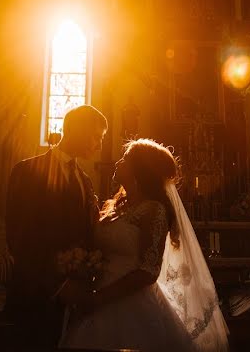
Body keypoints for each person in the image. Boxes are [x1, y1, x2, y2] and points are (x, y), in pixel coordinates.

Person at [60, 139, 229, 351]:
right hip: (98, 294)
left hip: (130, 302)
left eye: (125, 159)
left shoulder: (154, 210)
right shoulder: (114, 207)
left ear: (139, 169)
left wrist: (99, 299)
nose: (118, 162)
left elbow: (148, 271)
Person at [5, 105, 107, 348]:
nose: (99, 145)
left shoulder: (84, 180)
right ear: (77, 130)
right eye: (96, 136)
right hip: (35, 298)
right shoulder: (28, 171)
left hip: (75, 302)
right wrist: (57, 286)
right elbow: (19, 237)